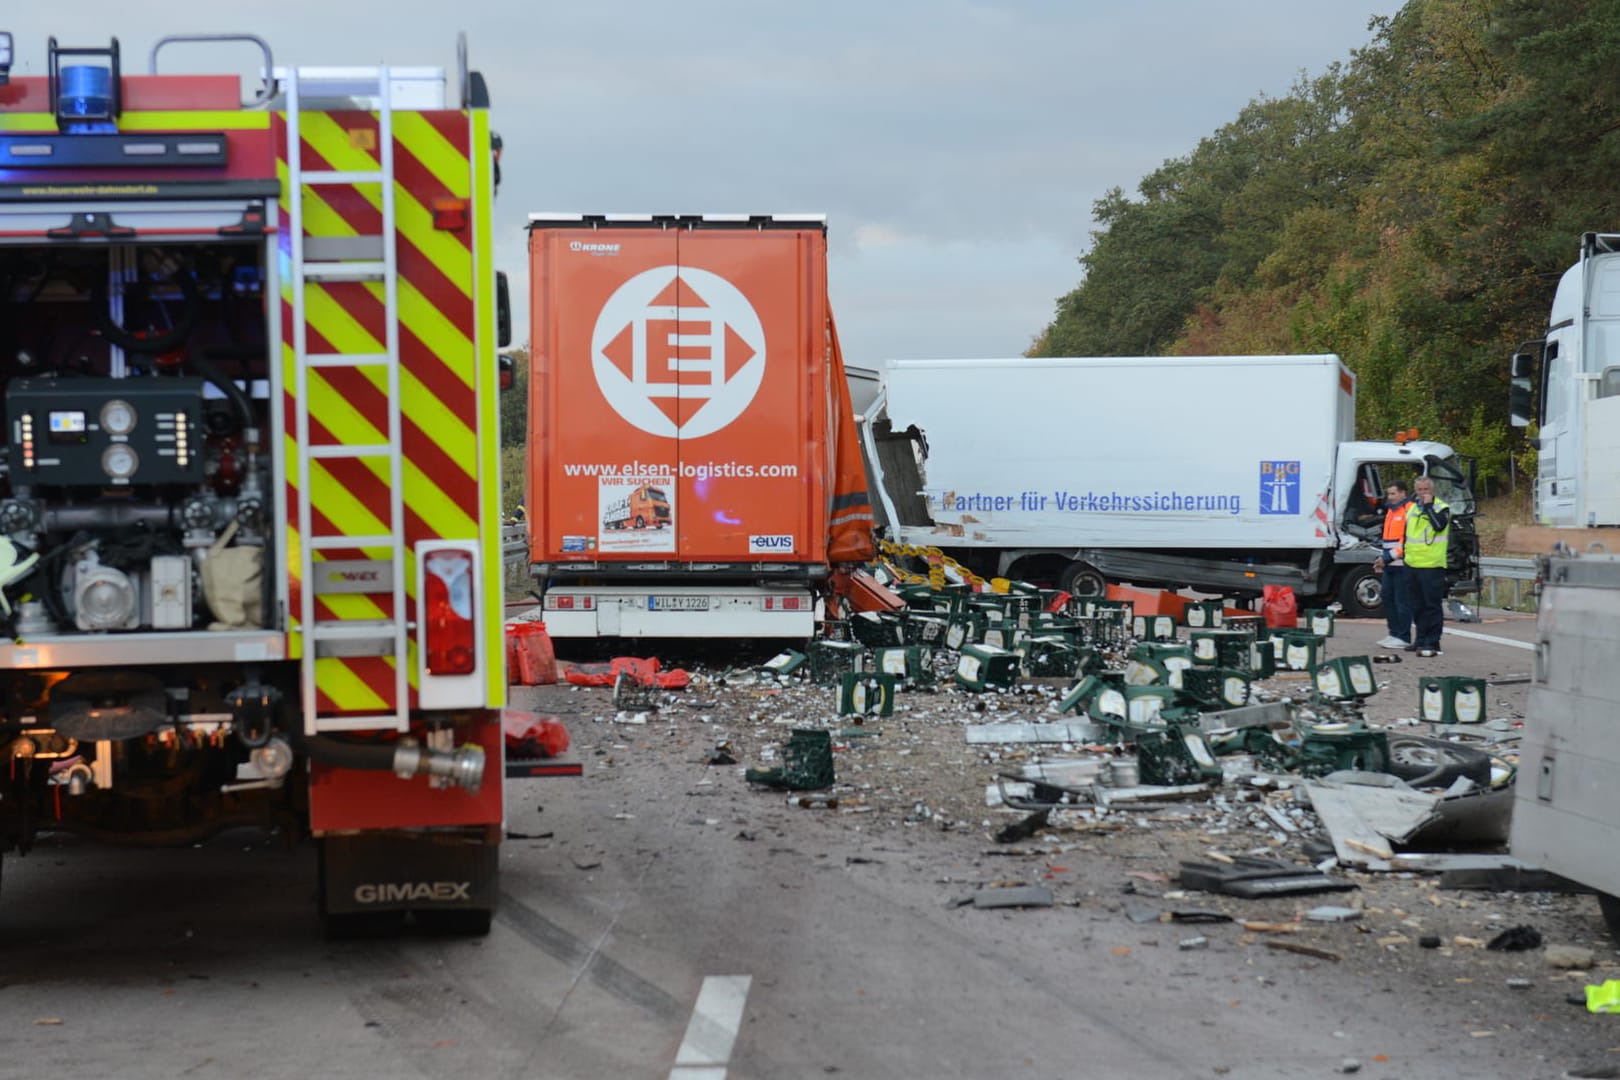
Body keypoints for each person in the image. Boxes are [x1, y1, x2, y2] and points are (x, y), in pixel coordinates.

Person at [1403, 475, 1451, 658]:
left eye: (1426, 490)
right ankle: (1421, 638)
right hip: (1412, 563)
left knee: (1432, 605)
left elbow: (1439, 525)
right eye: (1420, 490)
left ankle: (1433, 640)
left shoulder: (1441, 508)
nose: (1423, 493)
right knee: (1417, 605)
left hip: (1432, 564)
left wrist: (1429, 506)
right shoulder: (1413, 509)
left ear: (1432, 491)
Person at [1372, 480, 1413, 649]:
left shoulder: (1409, 510)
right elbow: (1388, 540)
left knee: (1402, 602)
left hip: (1403, 564)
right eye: (1389, 494)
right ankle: (1394, 633)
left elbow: (1406, 541)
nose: (1390, 497)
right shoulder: (1391, 511)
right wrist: (1383, 559)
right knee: (1388, 598)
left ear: (1403, 493)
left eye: (1393, 493)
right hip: (1390, 563)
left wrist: (1387, 557)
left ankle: (1403, 636)